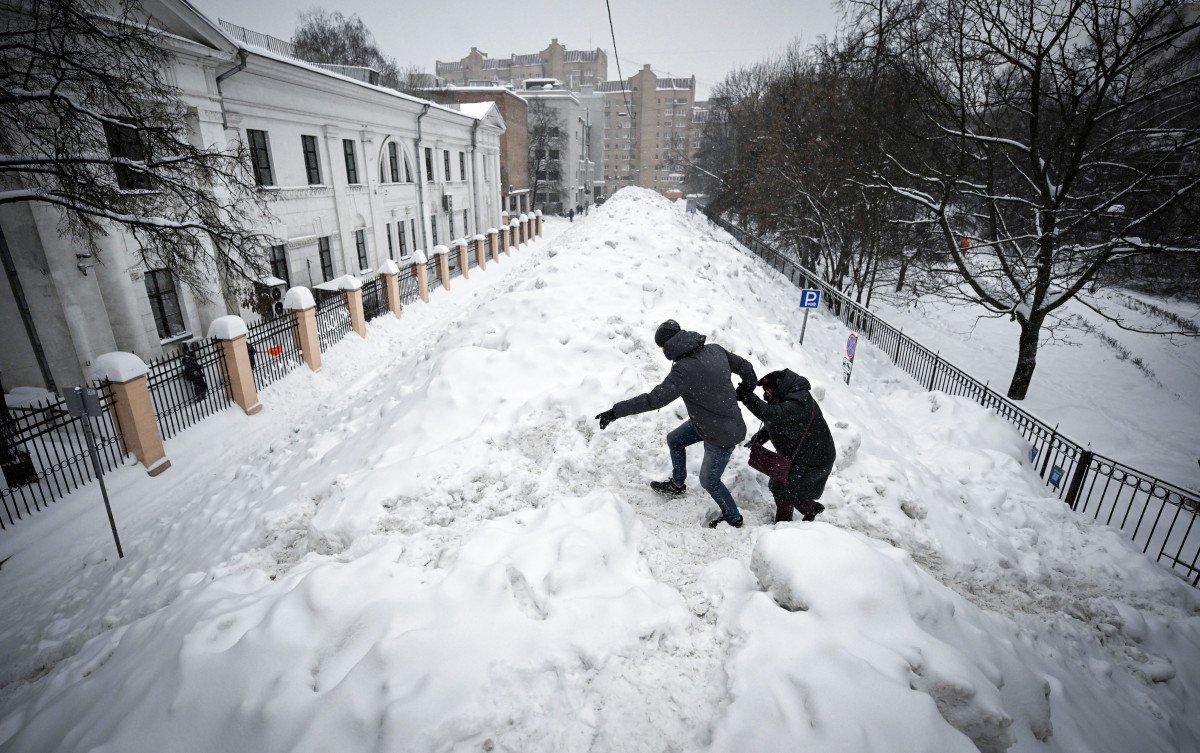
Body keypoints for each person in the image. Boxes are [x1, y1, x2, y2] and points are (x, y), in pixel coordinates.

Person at [596, 320, 757, 528]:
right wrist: (746, 387)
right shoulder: (715, 350)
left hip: (722, 435)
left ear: (667, 347)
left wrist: (615, 412)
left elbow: (653, 400)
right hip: (707, 423)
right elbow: (746, 367)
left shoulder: (684, 371)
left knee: (709, 481)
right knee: (675, 440)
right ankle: (677, 484)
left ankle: (733, 518)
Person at [739, 369, 836, 523]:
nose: (766, 394)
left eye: (768, 390)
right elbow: (776, 422)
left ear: (780, 386)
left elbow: (771, 414)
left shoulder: (798, 401)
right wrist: (759, 438)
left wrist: (747, 397)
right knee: (786, 487)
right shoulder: (787, 396)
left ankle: (783, 525)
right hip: (803, 453)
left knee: (783, 490)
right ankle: (810, 508)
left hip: (814, 457)